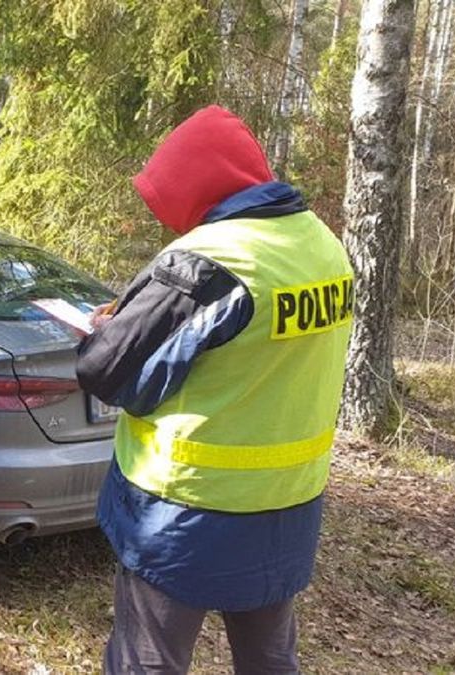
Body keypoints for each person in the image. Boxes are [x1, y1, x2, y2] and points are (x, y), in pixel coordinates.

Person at [76, 105, 354, 673]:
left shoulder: (211, 259)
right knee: (270, 657)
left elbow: (108, 371)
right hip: (288, 502)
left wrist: (105, 331)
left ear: (196, 190)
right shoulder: (321, 244)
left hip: (187, 507)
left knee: (148, 660)